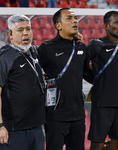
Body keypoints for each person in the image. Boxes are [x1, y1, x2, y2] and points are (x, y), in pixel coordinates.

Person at [37, 8, 93, 150]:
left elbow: (87, 74)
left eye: (75, 18)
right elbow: (33, 74)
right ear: (58, 25)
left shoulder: (81, 46)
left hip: (78, 116)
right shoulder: (46, 48)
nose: (75, 21)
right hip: (55, 116)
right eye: (69, 18)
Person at [0, 14, 45, 150]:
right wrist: (0, 126)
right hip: (14, 130)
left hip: (37, 127)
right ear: (11, 34)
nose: (25, 33)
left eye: (28, 29)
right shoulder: (4, 57)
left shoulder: (35, 52)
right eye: (20, 30)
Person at [87, 11, 118, 150]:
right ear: (106, 25)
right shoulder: (95, 45)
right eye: (117, 23)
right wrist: (94, 78)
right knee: (97, 143)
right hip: (102, 104)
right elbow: (81, 66)